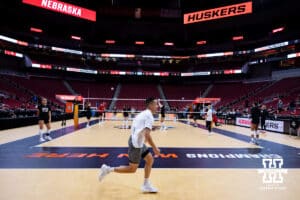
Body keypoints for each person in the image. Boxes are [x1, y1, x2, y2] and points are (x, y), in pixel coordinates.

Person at [98, 97, 160, 193]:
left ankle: (146, 184)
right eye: (156, 104)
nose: (157, 106)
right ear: (150, 105)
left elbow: (140, 128)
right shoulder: (149, 116)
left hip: (137, 141)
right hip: (136, 145)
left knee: (150, 159)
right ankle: (107, 169)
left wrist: (146, 133)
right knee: (132, 169)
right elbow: (147, 135)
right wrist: (155, 148)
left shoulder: (143, 113)